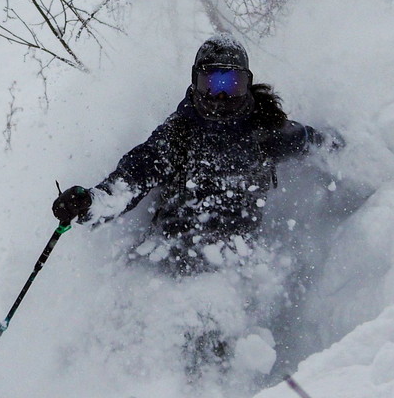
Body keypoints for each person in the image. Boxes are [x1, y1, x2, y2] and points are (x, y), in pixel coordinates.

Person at [52, 35, 342, 276]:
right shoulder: (179, 133)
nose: (221, 96)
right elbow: (132, 178)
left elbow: (317, 144)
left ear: (247, 85)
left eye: (232, 85)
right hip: (170, 251)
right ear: (195, 83)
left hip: (236, 256)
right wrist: (91, 202)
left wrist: (348, 154)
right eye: (212, 84)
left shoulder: (266, 129)